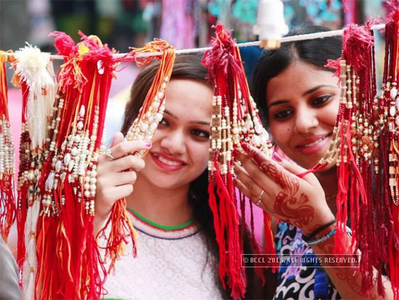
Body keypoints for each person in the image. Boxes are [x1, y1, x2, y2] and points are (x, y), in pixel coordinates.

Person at [234, 25, 394, 299]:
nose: (304, 124)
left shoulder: (391, 196)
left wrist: (318, 225)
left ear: (358, 92)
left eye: (320, 100)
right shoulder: (283, 216)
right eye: (283, 113)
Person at [95, 53, 263, 299]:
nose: (174, 145)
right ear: (132, 115)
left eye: (199, 133)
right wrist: (94, 217)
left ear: (219, 146)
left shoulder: (232, 246)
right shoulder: (76, 213)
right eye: (162, 121)